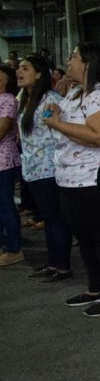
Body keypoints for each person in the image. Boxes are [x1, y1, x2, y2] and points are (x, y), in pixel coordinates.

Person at [42, 42, 100, 317]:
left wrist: (58, 123)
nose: (68, 61)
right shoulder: (75, 93)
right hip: (71, 179)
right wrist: (56, 114)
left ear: (88, 63)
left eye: (74, 57)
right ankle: (97, 287)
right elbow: (64, 122)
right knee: (84, 238)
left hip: (98, 179)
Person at [15, 56, 72, 281]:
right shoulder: (25, 98)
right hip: (33, 170)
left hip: (48, 170)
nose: (19, 71)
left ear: (39, 74)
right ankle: (53, 263)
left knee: (56, 220)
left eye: (25, 68)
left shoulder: (50, 100)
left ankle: (63, 267)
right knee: (49, 220)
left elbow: (59, 133)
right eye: (18, 68)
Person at [0, 64, 22, 267]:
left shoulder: (8, 100)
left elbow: (3, 128)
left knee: (5, 204)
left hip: (4, 159)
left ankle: (14, 247)